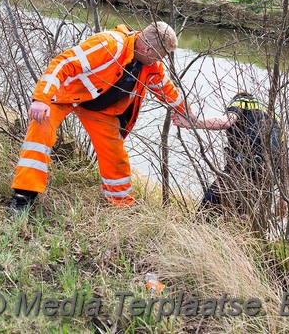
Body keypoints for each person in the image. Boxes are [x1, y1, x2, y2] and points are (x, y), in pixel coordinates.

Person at [11, 22, 188, 211]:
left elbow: (169, 92)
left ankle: (121, 206)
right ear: (146, 48)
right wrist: (41, 98)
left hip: (100, 111)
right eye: (160, 55)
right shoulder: (110, 44)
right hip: (67, 95)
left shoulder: (152, 66)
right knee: (40, 130)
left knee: (115, 155)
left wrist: (187, 116)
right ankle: (23, 196)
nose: (160, 60)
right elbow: (63, 62)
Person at [173, 92, 287, 220]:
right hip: (265, 179)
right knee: (240, 219)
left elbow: (225, 122)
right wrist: (284, 198)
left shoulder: (243, 101)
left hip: (242, 169)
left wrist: (194, 123)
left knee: (207, 210)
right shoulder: (275, 118)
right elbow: (283, 162)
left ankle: (197, 233)